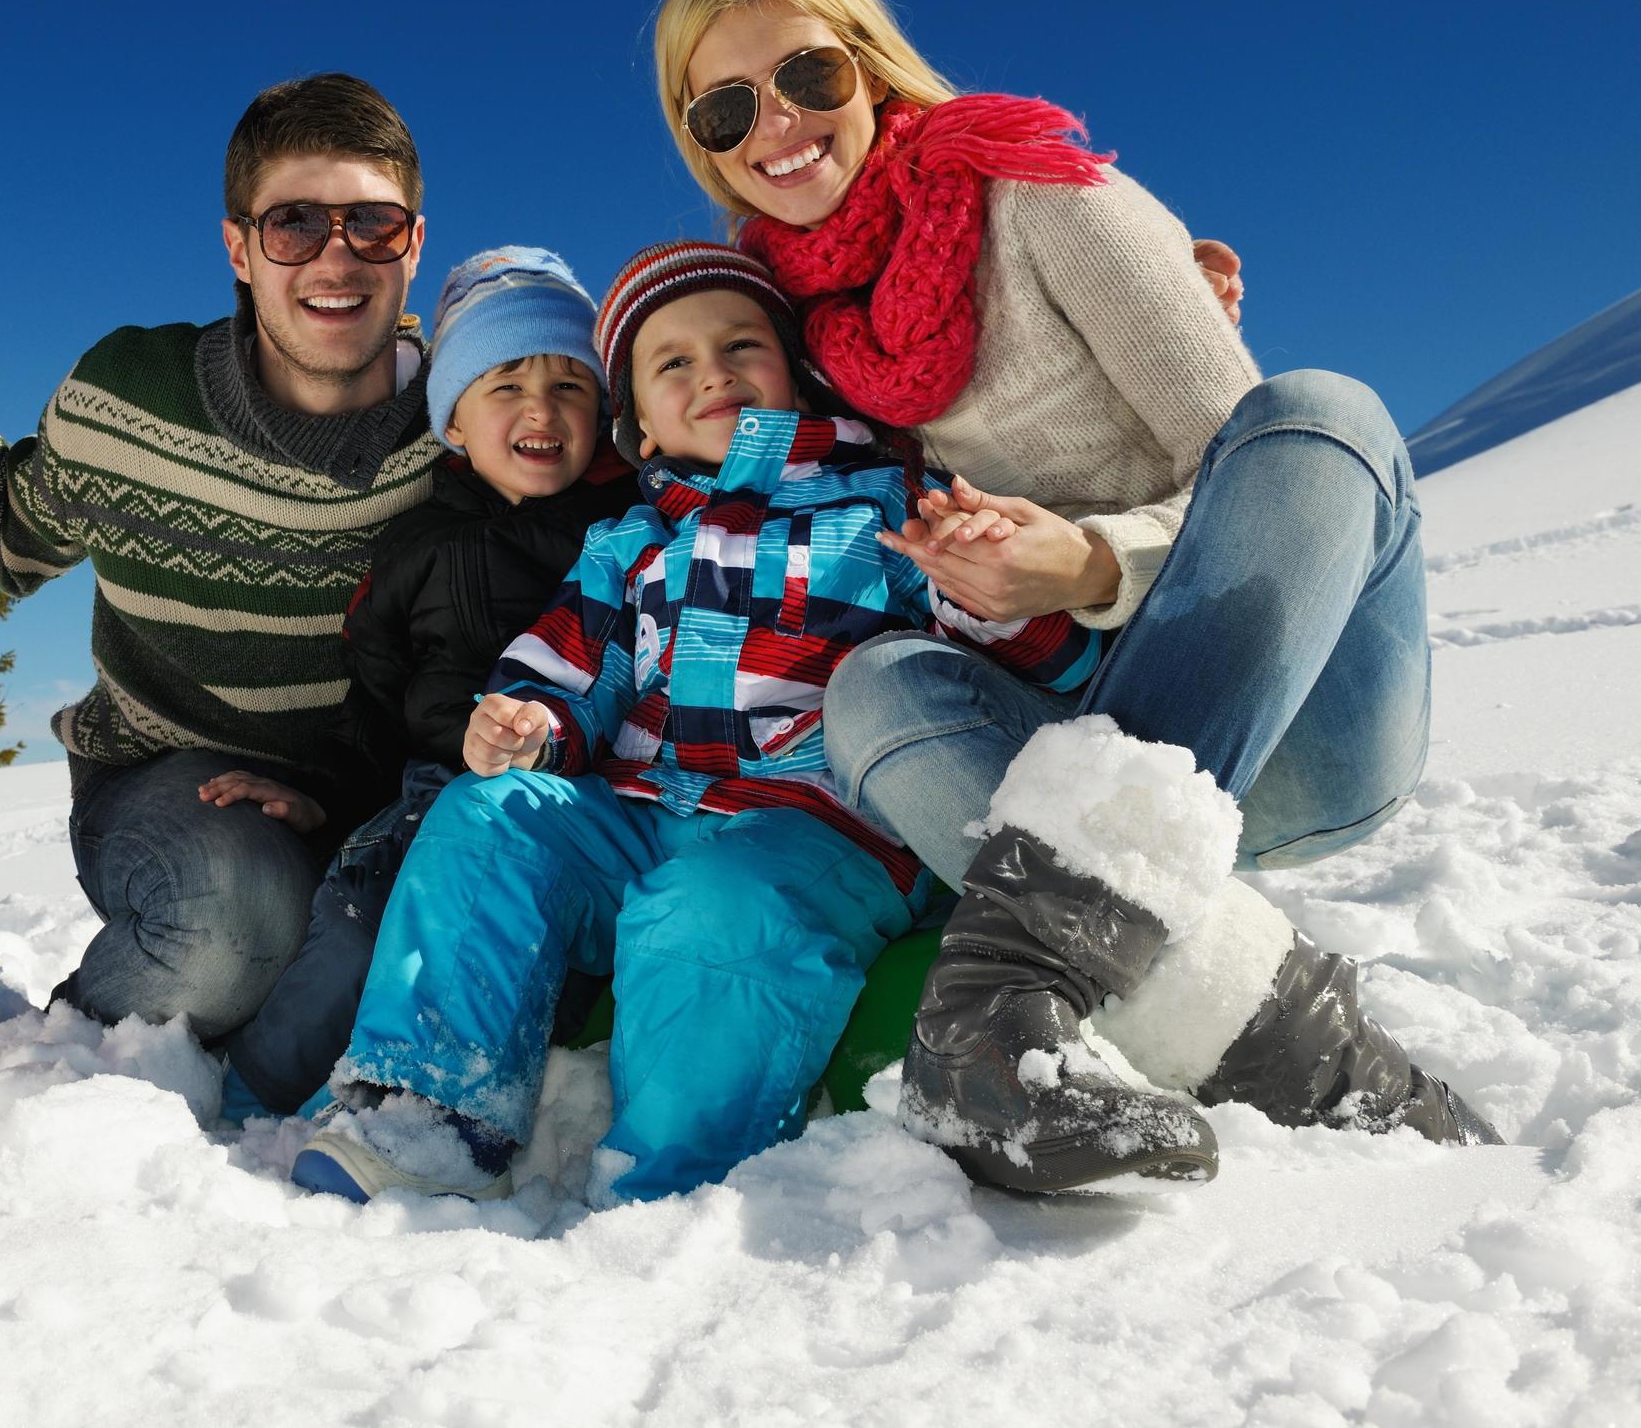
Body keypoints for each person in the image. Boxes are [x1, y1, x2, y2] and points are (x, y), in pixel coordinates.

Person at [649, 0, 1495, 1194]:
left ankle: (1012, 984)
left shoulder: (1043, 197)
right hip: (1059, 728)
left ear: (871, 70)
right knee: (873, 686)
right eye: (728, 107)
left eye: (809, 77)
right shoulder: (792, 330)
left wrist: (1092, 564)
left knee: (1326, 411)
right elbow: (680, 468)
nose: (778, 123)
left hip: (1279, 717)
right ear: (702, 144)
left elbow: (1268, 479)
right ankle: (1093, 1039)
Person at [291, 243, 1117, 1206]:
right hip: (638, 812)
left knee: (716, 910)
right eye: (671, 362)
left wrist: (994, 591)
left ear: (794, 370)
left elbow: (1042, 669)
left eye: (739, 345)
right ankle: (431, 1111)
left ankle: (671, 1180)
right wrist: (528, 720)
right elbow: (571, 668)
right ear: (637, 416)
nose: (711, 371)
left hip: (813, 829)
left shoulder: (886, 504)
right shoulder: (631, 540)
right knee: (488, 815)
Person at [0, 74, 440, 1057]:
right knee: (234, 929)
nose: (337, 254)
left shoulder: (473, 425)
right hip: (168, 780)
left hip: (381, 804)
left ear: (414, 241)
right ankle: (59, 1074)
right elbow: (4, 541)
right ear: (239, 247)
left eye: (372, 222)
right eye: (296, 224)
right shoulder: (132, 398)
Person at [224, 247, 635, 1120]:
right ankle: (249, 1100)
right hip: (435, 787)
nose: (542, 409)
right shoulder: (415, 550)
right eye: (506, 385)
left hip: (585, 797)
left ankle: (458, 1101)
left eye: (571, 387)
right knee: (363, 933)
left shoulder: (635, 527)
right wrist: (317, 798)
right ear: (454, 420)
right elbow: (373, 708)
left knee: (530, 959)